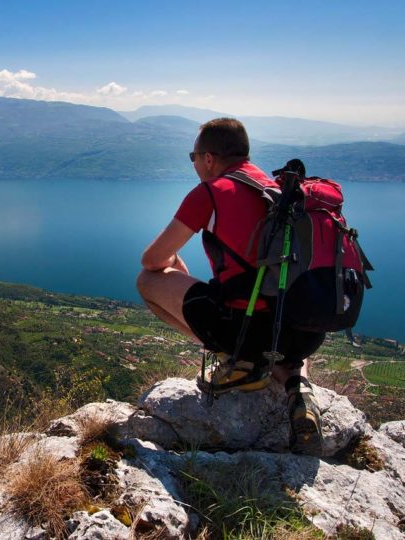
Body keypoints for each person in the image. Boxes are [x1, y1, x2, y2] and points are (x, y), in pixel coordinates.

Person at [137, 118, 326, 456]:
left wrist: (175, 264)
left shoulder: (211, 192)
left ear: (209, 158)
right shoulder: (277, 189)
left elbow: (152, 260)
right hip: (303, 333)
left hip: (245, 329)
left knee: (147, 282)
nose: (193, 164)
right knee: (279, 315)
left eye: (193, 157)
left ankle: (237, 360)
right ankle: (298, 388)